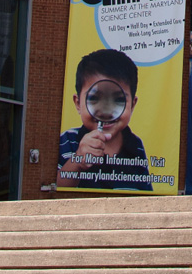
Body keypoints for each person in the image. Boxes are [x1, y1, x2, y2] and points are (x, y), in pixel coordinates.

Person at [57, 48, 151, 191]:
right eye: (94, 98)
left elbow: (145, 191)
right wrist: (77, 162)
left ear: (132, 105)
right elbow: (56, 187)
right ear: (78, 103)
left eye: (119, 100)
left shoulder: (136, 145)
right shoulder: (68, 140)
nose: (106, 111)